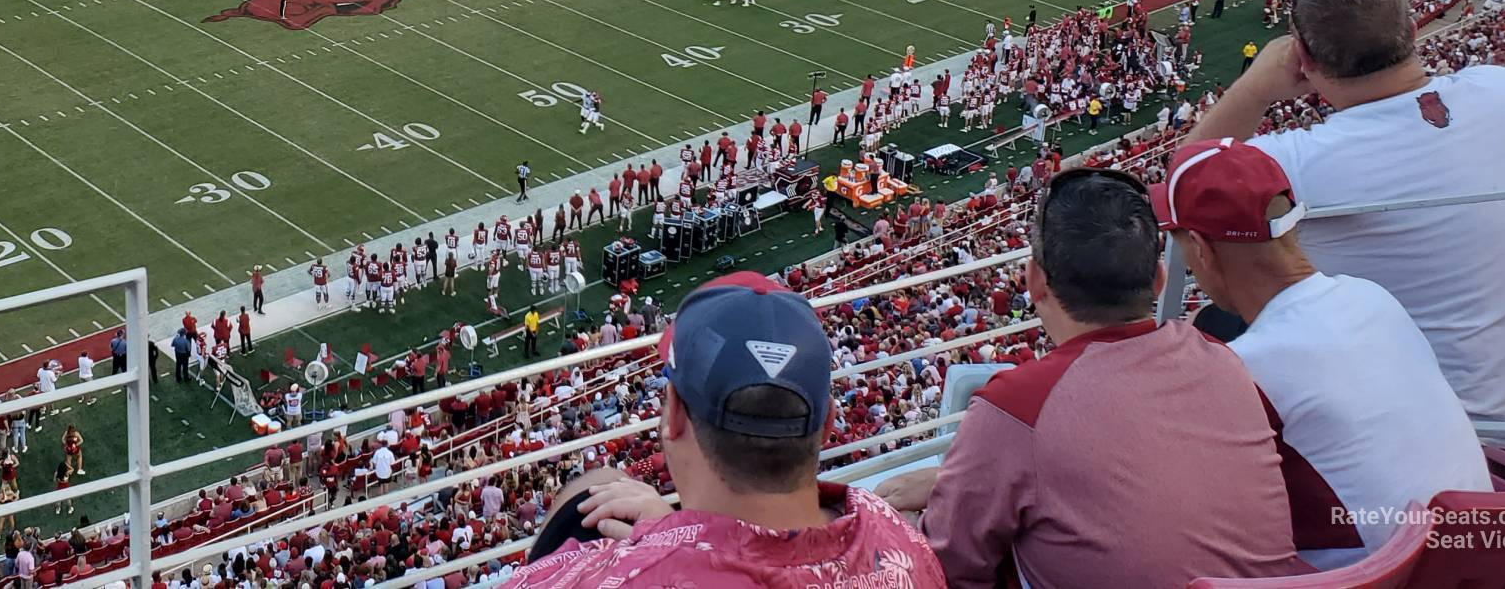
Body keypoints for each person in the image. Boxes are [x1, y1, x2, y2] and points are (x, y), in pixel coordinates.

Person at [1193, 0, 1505, 431]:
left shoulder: (1305, 161)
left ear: (1303, 58)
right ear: (1413, 31)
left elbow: (1186, 178)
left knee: (1215, 326)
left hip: (1448, 446)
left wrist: (1255, 88)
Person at [880, 167, 1311, 586]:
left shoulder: (1019, 404)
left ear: (1034, 281)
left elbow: (947, 570)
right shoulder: (1221, 360)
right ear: (1159, 280)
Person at [1152, 137, 1489, 569]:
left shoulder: (1243, 369)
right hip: (1490, 558)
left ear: (1200, 248)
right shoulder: (1371, 295)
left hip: (1389, 575)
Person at [505, 273, 942, 587]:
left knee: (591, 496)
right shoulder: (893, 532)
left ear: (673, 415)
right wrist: (676, 532)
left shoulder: (624, 577)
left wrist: (667, 541)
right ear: (827, 423)